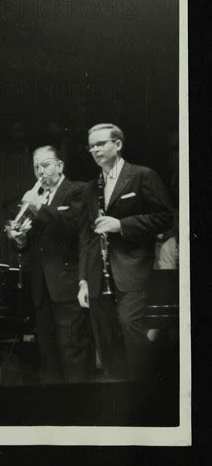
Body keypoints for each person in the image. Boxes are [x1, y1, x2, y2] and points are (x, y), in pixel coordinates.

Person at [78, 123, 173, 381]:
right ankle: (120, 394)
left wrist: (122, 225)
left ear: (117, 145)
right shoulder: (91, 188)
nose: (95, 150)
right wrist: (83, 280)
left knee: (130, 325)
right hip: (99, 274)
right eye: (91, 146)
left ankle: (149, 388)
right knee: (107, 338)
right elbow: (86, 237)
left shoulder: (142, 176)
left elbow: (165, 217)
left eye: (101, 144)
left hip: (131, 268)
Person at [5, 145, 95, 384]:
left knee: (73, 352)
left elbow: (75, 224)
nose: (40, 171)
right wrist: (19, 240)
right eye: (36, 166)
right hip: (41, 289)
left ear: (60, 166)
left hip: (68, 285)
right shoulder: (39, 196)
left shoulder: (78, 190)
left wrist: (38, 207)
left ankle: (81, 411)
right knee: (49, 357)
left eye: (45, 165)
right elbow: (31, 243)